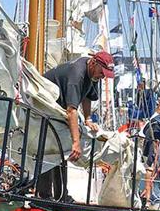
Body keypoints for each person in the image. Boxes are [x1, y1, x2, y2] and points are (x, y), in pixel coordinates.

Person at [39, 51, 114, 200]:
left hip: (56, 114)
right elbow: (72, 111)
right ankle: (45, 198)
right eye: (102, 72)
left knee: (61, 154)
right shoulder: (76, 75)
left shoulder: (92, 73)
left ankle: (61, 196)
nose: (103, 76)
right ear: (93, 62)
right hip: (42, 110)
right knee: (50, 152)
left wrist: (87, 118)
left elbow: (87, 95)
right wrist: (76, 143)